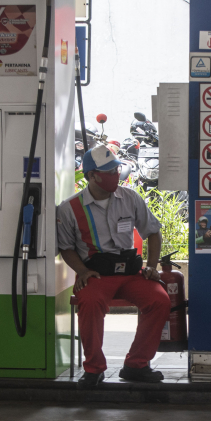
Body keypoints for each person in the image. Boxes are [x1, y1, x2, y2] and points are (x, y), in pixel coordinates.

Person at [57, 145, 170, 389]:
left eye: (117, 169)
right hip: (97, 274)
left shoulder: (130, 198)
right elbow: (66, 247)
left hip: (130, 273)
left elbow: (153, 232)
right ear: (91, 176)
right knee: (89, 302)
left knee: (159, 300)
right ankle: (94, 368)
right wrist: (83, 271)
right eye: (108, 172)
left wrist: (151, 266)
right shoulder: (70, 209)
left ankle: (136, 365)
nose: (116, 175)